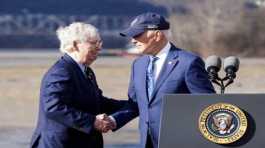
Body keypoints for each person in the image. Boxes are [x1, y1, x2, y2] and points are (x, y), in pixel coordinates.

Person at [108, 12, 216, 148]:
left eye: (137, 35)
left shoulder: (188, 62)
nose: (133, 40)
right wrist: (113, 120)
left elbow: (208, 104)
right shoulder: (138, 65)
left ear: (157, 35)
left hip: (180, 142)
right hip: (146, 143)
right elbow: (135, 104)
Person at [30, 22, 123, 148]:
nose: (99, 48)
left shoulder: (85, 70)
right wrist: (92, 122)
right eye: (94, 43)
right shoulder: (61, 71)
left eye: (100, 43)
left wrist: (132, 105)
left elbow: (97, 102)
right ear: (75, 44)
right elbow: (53, 108)